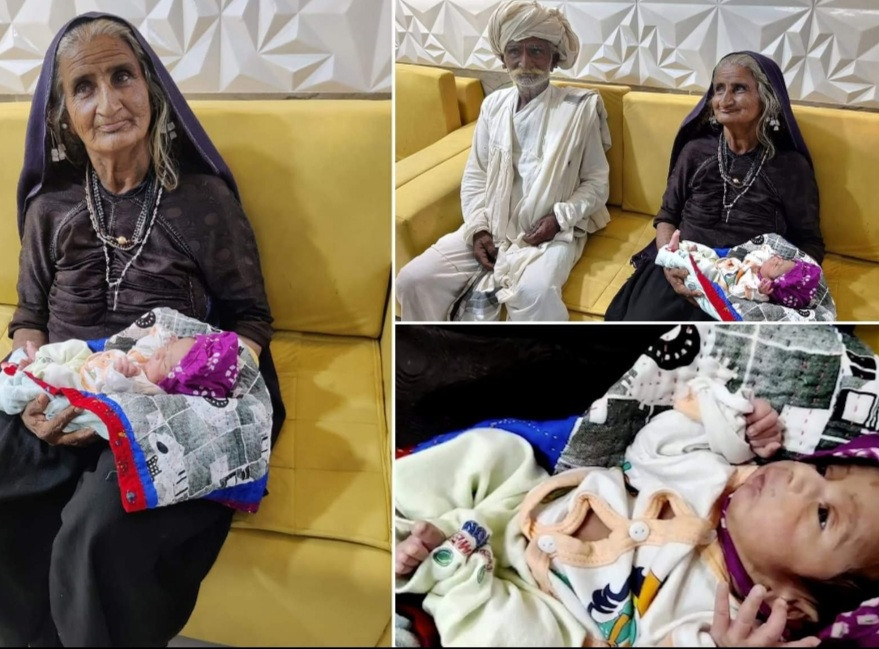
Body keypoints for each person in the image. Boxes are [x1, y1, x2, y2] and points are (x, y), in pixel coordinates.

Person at [1, 12, 285, 647]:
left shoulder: (202, 201)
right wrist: (34, 387)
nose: (109, 104)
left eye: (122, 76)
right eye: (84, 87)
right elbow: (29, 322)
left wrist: (170, 385)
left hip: (168, 397)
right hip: (66, 391)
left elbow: (250, 319)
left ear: (150, 88)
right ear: (63, 116)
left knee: (96, 533)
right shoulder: (50, 209)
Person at [394, 377, 878, 647]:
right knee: (494, 451)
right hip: (519, 504)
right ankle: (413, 516)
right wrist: (734, 425)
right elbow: (653, 443)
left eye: (823, 514)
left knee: (512, 637)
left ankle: (451, 574)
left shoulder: (719, 620)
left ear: (790, 602)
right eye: (826, 471)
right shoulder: (716, 472)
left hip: (551, 612)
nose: (802, 477)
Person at [395, 0, 611, 321]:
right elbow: (476, 175)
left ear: (553, 59)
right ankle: (435, 350)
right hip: (492, 226)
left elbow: (596, 184)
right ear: (502, 58)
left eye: (536, 51)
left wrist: (558, 219)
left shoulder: (578, 110)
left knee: (534, 294)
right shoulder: (493, 106)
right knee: (413, 279)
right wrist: (478, 230)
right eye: (514, 51)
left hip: (550, 234)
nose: (525, 62)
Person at [605, 51, 824, 321]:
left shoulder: (790, 167)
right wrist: (669, 263)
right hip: (683, 268)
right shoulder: (695, 152)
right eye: (719, 89)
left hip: (746, 287)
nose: (725, 100)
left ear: (766, 98)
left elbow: (810, 242)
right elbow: (667, 217)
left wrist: (776, 282)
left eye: (739, 88)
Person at [0, 329, 240, 441]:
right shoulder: (152, 362)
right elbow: (31, 312)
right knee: (73, 347)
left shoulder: (149, 387)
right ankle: (37, 358)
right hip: (87, 356)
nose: (159, 354)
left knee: (56, 374)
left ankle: (35, 370)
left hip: (84, 386)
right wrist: (167, 342)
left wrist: (120, 376)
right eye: (165, 350)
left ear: (169, 383)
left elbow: (118, 395)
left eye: (164, 360)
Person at [655, 229, 822, 315]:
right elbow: (762, 251)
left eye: (778, 266)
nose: (777, 260)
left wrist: (761, 291)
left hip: (720, 278)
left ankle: (675, 254)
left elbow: (748, 293)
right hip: (722, 259)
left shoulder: (757, 286)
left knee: (701, 266)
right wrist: (770, 255)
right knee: (704, 251)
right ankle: (679, 248)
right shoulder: (762, 262)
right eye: (781, 259)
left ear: (772, 285)